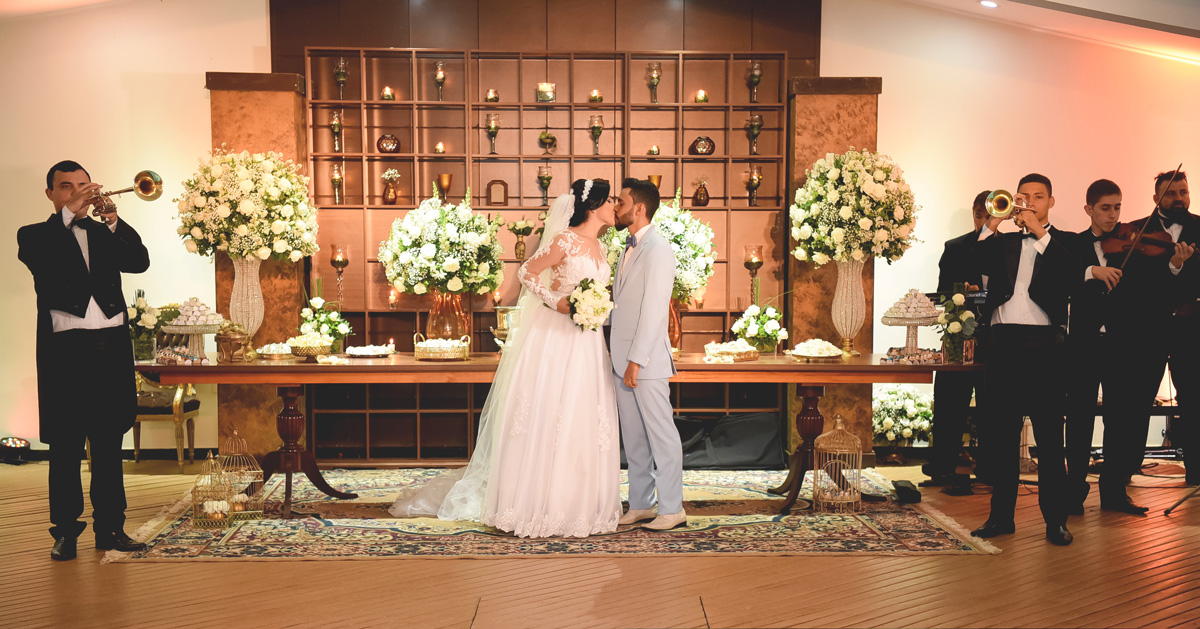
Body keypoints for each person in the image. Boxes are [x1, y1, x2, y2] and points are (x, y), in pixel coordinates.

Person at [390, 179, 621, 538]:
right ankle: (536, 502)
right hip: (557, 336)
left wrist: (595, 308)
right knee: (551, 411)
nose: (615, 206)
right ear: (594, 206)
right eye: (611, 200)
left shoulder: (601, 247)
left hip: (588, 342)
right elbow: (527, 272)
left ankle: (580, 502)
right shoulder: (565, 240)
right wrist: (557, 301)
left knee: (583, 413)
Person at [17, 160, 150, 560]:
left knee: (109, 446)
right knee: (65, 448)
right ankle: (65, 533)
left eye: (81, 186)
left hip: (109, 350)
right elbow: (42, 259)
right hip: (65, 356)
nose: (75, 193)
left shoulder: (103, 230)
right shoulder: (35, 235)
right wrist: (70, 213)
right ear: (51, 194)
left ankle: (111, 528)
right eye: (65, 187)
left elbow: (138, 261)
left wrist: (112, 220)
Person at [969, 173, 1080, 546]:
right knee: (1002, 436)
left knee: (1049, 438)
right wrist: (993, 222)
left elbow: (1069, 274)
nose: (1030, 202)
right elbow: (974, 258)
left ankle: (1056, 521)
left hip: (1044, 345)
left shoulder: (1064, 243)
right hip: (1002, 342)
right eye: (1024, 196)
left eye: (1038, 197)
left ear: (1051, 201)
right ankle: (1001, 517)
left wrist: (1041, 232)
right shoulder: (1004, 243)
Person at [1104, 170, 1197, 501]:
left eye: (1183, 192)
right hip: (1147, 327)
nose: (1179, 199)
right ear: (1157, 198)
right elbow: (1133, 283)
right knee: (1137, 398)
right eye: (1170, 194)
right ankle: (1126, 467)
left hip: (1191, 327)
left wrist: (1178, 268)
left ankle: (1196, 471)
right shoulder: (1135, 231)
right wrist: (1172, 267)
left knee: (1195, 397)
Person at [609, 178, 683, 531]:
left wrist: (636, 361)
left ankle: (672, 508)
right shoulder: (627, 247)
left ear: (639, 208)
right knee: (635, 440)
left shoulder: (659, 249)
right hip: (621, 360)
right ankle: (641, 503)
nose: (615, 207)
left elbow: (655, 311)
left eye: (620, 202)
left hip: (645, 362)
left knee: (661, 436)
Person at [1063, 179, 1131, 514]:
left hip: (1120, 344)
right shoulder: (1074, 245)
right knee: (1079, 420)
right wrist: (1093, 270)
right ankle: (1074, 493)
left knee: (1119, 420)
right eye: (1105, 207)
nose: (1113, 215)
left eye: (1117, 207)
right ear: (1089, 209)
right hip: (1083, 345)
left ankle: (1115, 493)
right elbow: (1062, 274)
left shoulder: (1132, 245)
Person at [924, 190, 990, 487]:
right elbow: (941, 294)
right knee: (949, 402)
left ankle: (990, 469)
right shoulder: (955, 247)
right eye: (981, 216)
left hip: (996, 337)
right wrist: (960, 292)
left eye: (992, 217)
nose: (986, 222)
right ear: (974, 214)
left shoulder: (1013, 246)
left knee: (994, 407)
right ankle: (942, 466)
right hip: (957, 335)